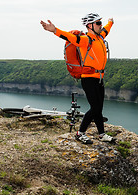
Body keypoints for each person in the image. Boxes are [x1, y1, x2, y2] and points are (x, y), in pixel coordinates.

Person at [40, 13, 114, 144]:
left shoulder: (100, 37)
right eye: (98, 23)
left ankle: (102, 134)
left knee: (99, 109)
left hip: (99, 78)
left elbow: (106, 30)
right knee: (95, 108)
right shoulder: (86, 40)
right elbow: (70, 37)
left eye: (100, 23)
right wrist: (54, 30)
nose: (100, 26)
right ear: (90, 26)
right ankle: (80, 133)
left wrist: (110, 22)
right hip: (89, 79)